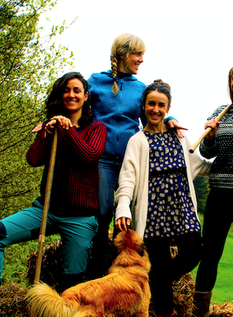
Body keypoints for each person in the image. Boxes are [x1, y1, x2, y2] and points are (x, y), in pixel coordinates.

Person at [0, 72, 106, 317]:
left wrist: (66, 129)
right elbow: (33, 159)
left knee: (73, 279)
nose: (71, 94)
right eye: (66, 90)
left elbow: (88, 155)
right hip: (44, 210)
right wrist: (48, 131)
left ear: (86, 96)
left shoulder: (96, 128)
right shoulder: (50, 126)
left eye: (77, 90)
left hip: (79, 217)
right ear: (60, 95)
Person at [114, 80, 212, 317]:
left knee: (193, 254)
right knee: (158, 261)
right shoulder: (137, 140)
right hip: (153, 210)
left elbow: (199, 165)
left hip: (182, 207)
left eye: (161, 105)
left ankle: (156, 280)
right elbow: (128, 178)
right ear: (144, 106)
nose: (156, 109)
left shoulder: (178, 135)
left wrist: (228, 165)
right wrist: (123, 207)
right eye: (151, 104)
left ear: (168, 108)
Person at [87, 34, 185, 279]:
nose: (141, 60)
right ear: (122, 54)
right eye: (137, 54)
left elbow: (152, 118)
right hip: (104, 159)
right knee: (104, 213)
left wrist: (170, 120)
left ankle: (127, 272)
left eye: (142, 55)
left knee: (131, 216)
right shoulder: (96, 81)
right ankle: (99, 272)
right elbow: (77, 104)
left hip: (133, 160)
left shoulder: (140, 88)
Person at [190, 62, 233, 317]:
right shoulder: (221, 112)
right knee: (210, 254)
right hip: (221, 193)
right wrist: (210, 136)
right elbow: (206, 153)